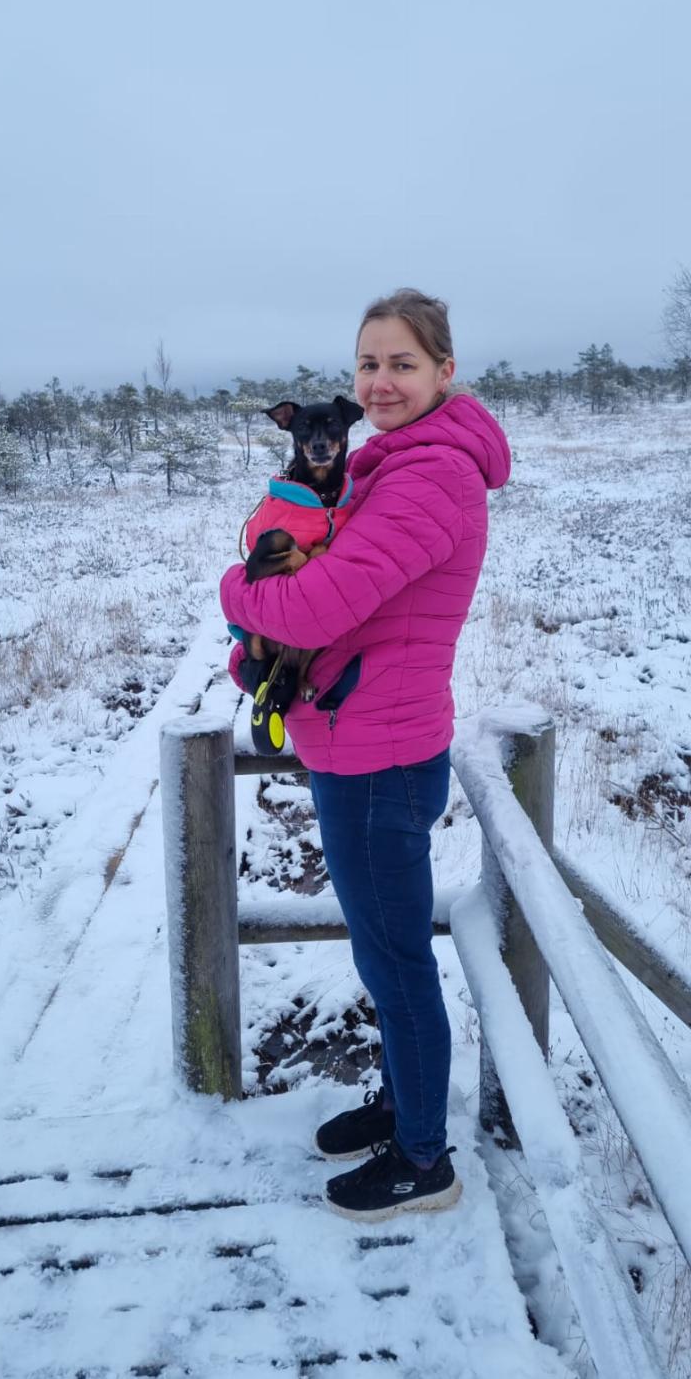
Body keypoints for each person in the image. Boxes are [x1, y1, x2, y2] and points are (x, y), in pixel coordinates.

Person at [220, 289, 511, 1222]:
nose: (382, 382)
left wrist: (234, 589)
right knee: (384, 953)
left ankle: (423, 1161)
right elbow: (339, 601)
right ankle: (402, 1104)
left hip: (381, 756)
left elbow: (310, 605)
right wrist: (264, 657)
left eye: (403, 364)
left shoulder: (430, 477)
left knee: (395, 959)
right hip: (358, 740)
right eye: (369, 364)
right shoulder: (386, 466)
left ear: (444, 372)